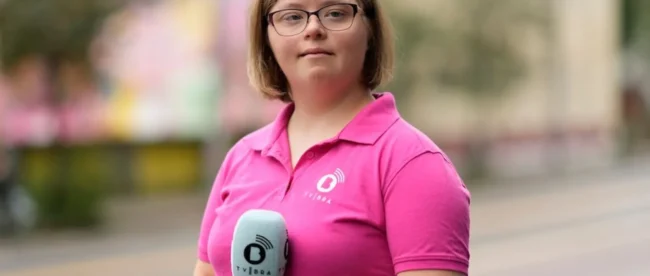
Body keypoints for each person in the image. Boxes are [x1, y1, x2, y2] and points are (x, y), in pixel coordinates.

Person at [194, 0, 471, 275]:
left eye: (335, 13)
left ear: (370, 30)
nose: (313, 28)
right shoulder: (242, 156)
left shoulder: (413, 164)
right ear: (266, 37)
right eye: (292, 16)